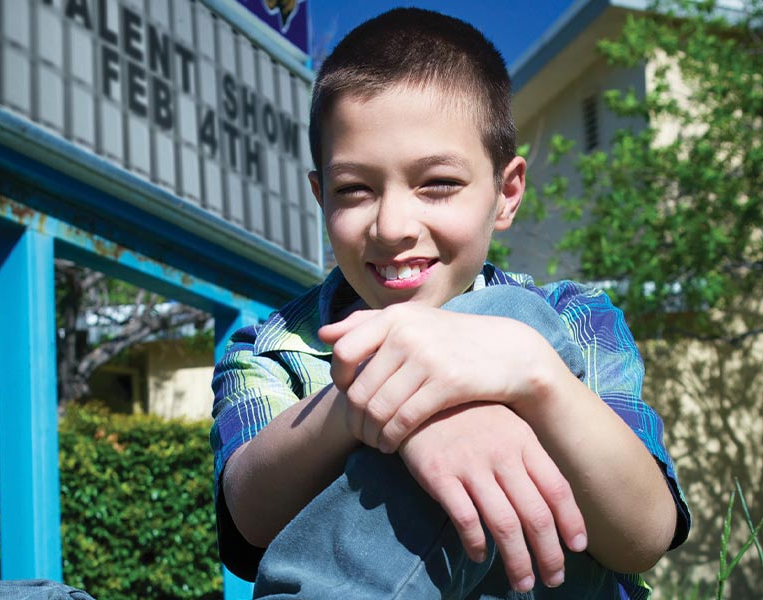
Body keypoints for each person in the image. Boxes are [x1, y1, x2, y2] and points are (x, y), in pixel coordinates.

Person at [210, 7, 690, 599]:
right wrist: (385, 405)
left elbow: (645, 533)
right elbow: (247, 517)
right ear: (320, 196)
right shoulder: (274, 344)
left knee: (514, 318)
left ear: (506, 193)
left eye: (437, 184)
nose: (392, 225)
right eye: (353, 190)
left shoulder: (576, 318)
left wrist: (531, 372)